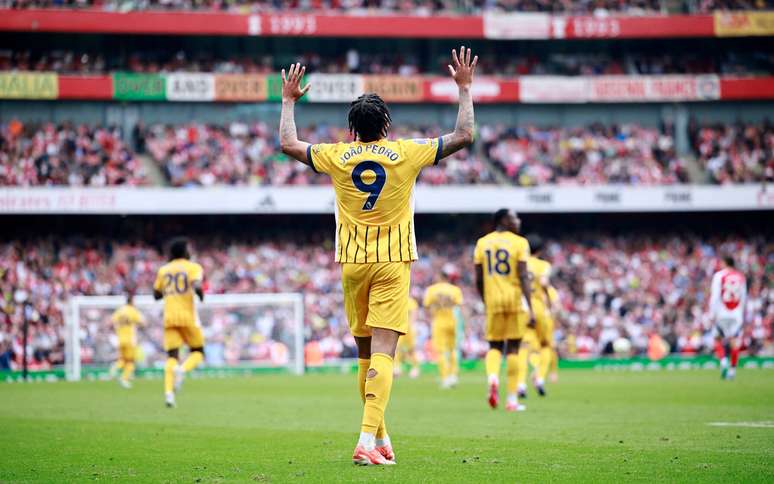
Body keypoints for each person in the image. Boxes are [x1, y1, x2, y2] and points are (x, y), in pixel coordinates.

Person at [278, 46, 477, 465]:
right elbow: (464, 136)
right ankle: (366, 441)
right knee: (385, 353)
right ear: (386, 124)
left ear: (352, 130)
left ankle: (381, 438)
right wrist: (464, 88)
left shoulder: (336, 155)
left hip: (352, 264)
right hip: (391, 263)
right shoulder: (406, 152)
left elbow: (288, 144)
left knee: (366, 356)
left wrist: (288, 101)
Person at [474, 209, 534, 412]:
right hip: (515, 301)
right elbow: (524, 275)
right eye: (514, 217)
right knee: (514, 349)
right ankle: (511, 399)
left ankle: (492, 378)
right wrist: (531, 306)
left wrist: (485, 300)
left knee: (494, 346)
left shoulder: (482, 242)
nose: (518, 221)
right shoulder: (520, 242)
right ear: (503, 220)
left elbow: (479, 278)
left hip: (493, 302)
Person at [153, 237, 205, 408]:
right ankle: (182, 371)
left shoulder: (164, 270)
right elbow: (197, 286)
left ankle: (169, 394)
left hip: (169, 317)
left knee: (172, 356)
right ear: (184, 251)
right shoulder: (193, 267)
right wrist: (201, 296)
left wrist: (169, 291)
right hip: (187, 316)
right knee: (197, 351)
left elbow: (156, 295)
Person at [516, 234, 556, 398]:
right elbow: (545, 283)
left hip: (523, 308)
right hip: (539, 308)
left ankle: (520, 383)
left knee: (523, 348)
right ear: (540, 249)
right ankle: (539, 378)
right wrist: (549, 300)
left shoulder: (520, 264)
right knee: (546, 346)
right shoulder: (543, 265)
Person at [424, 265, 464, 388]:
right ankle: (453, 375)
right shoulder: (455, 290)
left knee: (441, 351)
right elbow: (460, 306)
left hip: (439, 322)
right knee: (453, 350)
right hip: (452, 321)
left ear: (440, 276)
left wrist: (433, 313)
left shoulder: (432, 289)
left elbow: (427, 306)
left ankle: (445, 377)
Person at [709, 255, 747, 380]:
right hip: (736, 314)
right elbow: (743, 298)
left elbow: (715, 296)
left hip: (722, 313)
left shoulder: (719, 276)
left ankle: (723, 361)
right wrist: (741, 315)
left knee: (717, 338)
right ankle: (732, 371)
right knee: (734, 342)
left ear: (725, 263)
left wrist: (712, 314)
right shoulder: (741, 277)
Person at [109, 290, 145, 389]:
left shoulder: (120, 310)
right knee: (130, 361)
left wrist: (117, 328)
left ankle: (115, 368)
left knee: (122, 359)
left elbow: (111, 322)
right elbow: (143, 322)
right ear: (132, 301)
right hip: (130, 339)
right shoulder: (132, 310)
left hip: (120, 339)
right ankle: (124, 379)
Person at [394, 295, 420, 379]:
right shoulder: (398, 300)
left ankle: (415, 368)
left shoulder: (411, 301)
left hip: (408, 328)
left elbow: (414, 314)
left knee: (411, 349)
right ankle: (397, 368)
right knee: (396, 348)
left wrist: (411, 325)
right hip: (399, 327)